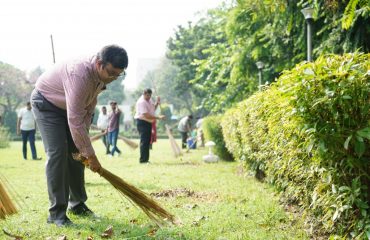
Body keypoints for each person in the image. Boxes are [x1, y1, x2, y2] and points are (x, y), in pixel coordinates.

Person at [30, 45, 128, 227]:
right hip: (47, 104)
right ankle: (56, 214)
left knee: (77, 154)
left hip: (69, 108)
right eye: (112, 73)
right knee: (58, 153)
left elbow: (88, 108)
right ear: (100, 64)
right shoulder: (80, 74)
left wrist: (85, 150)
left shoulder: (100, 76)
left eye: (119, 75)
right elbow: (75, 119)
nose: (114, 78)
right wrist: (92, 155)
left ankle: (77, 204)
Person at [134, 89, 164, 163]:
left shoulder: (149, 100)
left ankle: (146, 159)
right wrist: (158, 117)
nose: (149, 97)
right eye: (147, 95)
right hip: (142, 122)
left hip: (148, 123)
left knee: (147, 141)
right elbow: (146, 115)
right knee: (144, 141)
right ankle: (143, 160)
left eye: (150, 95)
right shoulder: (141, 102)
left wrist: (157, 102)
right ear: (144, 94)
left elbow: (153, 109)